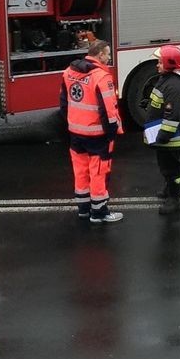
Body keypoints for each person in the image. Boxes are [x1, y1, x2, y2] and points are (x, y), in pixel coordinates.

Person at [59, 39, 124, 224]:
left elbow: (64, 103)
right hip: (97, 135)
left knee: (80, 170)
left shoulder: (68, 72)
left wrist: (73, 122)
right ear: (100, 55)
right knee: (98, 172)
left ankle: (83, 209)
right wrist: (112, 133)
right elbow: (109, 110)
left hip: (75, 132)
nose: (109, 57)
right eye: (108, 53)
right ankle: (99, 212)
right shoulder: (101, 77)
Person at [145, 45, 180, 217]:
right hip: (165, 134)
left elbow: (173, 115)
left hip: (170, 137)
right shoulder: (167, 79)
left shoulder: (173, 86)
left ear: (170, 64)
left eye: (160, 61)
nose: (157, 64)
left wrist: (163, 136)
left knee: (171, 168)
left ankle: (175, 198)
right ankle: (170, 187)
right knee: (167, 166)